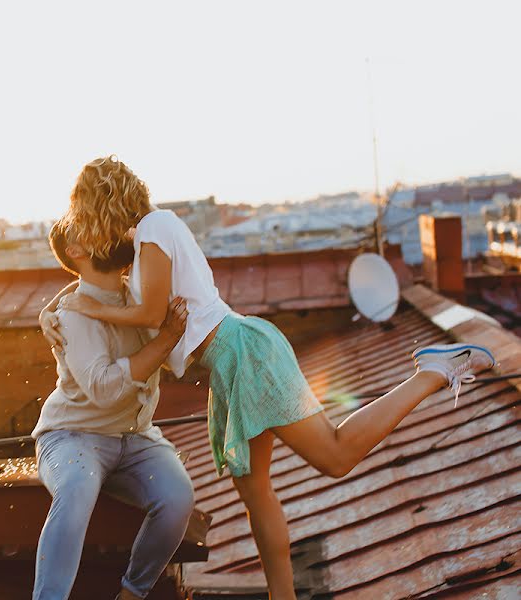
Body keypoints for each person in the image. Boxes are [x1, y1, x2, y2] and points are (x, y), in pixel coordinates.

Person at [40, 155, 496, 599]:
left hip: (243, 353)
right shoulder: (142, 244)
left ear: (100, 203)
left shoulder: (157, 227)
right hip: (229, 364)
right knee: (256, 492)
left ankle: (433, 371)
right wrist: (56, 307)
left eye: (82, 208)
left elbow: (150, 312)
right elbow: (100, 283)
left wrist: (82, 306)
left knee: (333, 456)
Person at [32, 220, 196, 600]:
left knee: (177, 499)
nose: (116, 230)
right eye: (96, 224)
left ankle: (131, 594)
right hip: (72, 436)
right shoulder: (71, 314)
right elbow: (104, 389)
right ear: (76, 250)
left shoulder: (137, 296)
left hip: (135, 437)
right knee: (75, 487)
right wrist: (168, 337)